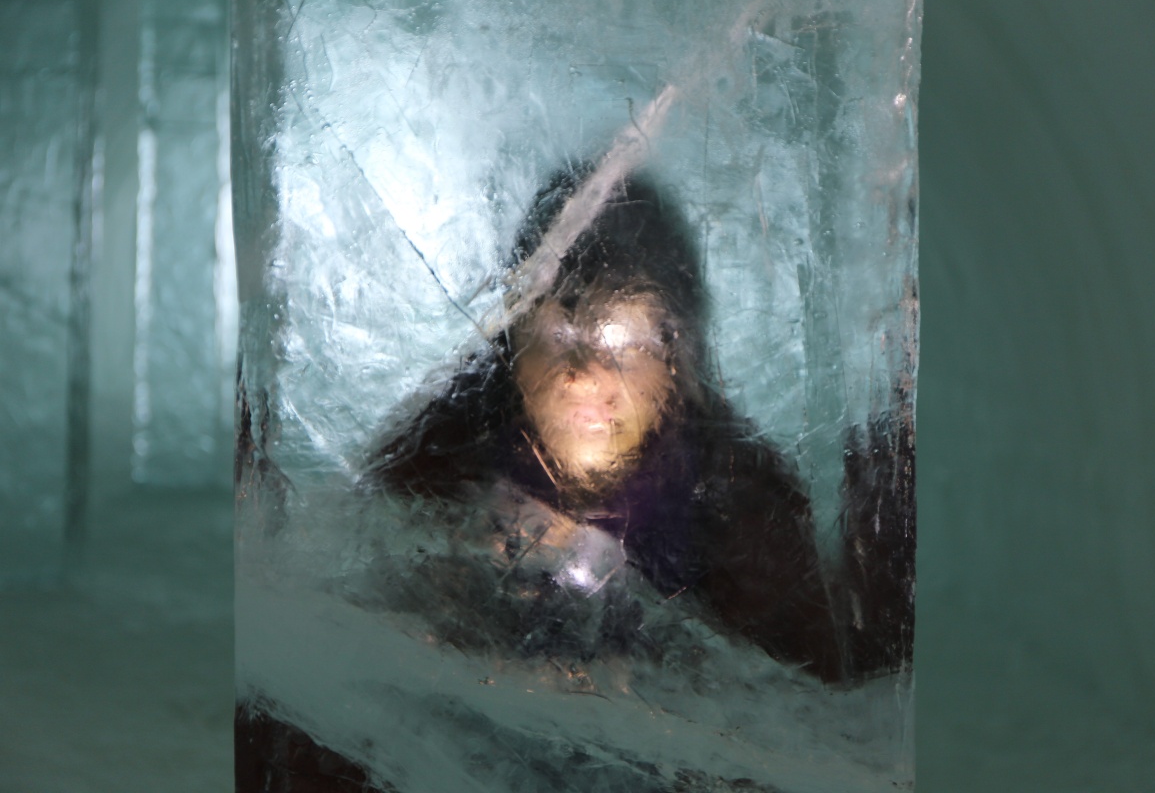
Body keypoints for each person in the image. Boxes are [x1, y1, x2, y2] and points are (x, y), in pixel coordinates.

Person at [363, 164, 913, 683]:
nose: (584, 376)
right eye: (558, 336)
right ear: (512, 345)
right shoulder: (454, 443)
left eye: (623, 344)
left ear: (674, 364)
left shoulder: (734, 501)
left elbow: (824, 685)